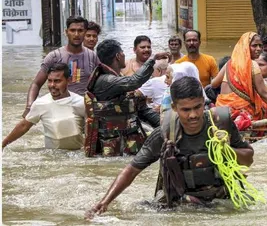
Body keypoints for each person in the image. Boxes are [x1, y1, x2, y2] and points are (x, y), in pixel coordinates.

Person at [85, 76, 254, 217]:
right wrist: (104, 202)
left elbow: (248, 158)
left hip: (223, 201)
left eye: (197, 107)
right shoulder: (165, 134)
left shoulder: (221, 125)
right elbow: (131, 170)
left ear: (204, 102)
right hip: (182, 205)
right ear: (174, 108)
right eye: (186, 110)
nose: (193, 115)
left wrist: (225, 150)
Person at [84, 39, 169, 157]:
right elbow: (134, 81)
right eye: (123, 53)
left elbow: (141, 109)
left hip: (127, 143)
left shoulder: (118, 78)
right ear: (118, 56)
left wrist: (165, 127)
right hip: (111, 147)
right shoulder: (106, 80)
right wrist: (152, 59)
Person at [213, 32, 267, 129]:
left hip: (221, 109)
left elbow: (214, 84)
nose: (258, 49)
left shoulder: (229, 63)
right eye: (254, 46)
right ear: (245, 47)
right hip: (240, 111)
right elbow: (264, 94)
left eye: (260, 46)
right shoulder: (253, 65)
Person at [23, 16, 100, 118]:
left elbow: (101, 82)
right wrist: (29, 107)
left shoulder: (92, 56)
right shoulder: (54, 56)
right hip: (60, 108)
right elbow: (36, 83)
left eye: (80, 30)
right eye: (72, 30)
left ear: (85, 32)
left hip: (84, 109)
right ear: (66, 32)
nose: (76, 34)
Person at [3, 63, 85, 150]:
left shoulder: (81, 102)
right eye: (49, 81)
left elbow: (93, 128)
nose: (52, 85)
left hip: (78, 154)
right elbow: (24, 126)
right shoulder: (40, 103)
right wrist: (3, 145)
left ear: (68, 80)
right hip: (52, 156)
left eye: (57, 81)